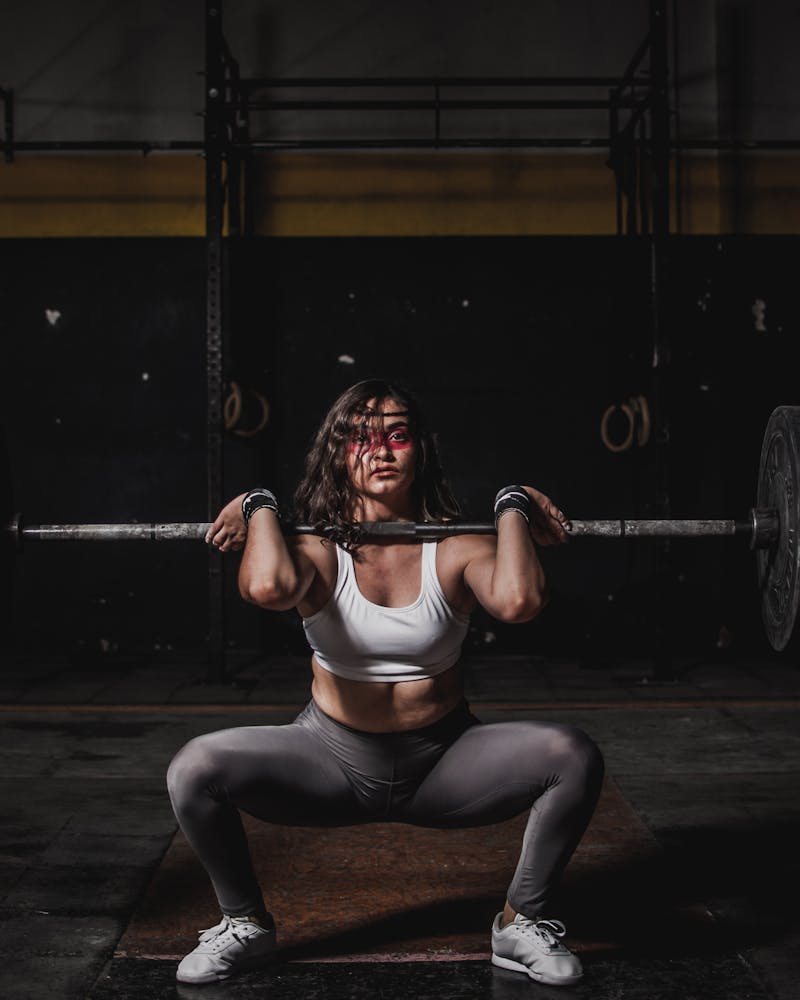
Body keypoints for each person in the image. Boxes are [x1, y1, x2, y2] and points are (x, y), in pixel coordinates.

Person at [167, 379, 604, 987]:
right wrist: (259, 505)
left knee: (572, 755)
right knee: (194, 768)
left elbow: (520, 601)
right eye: (359, 438)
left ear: (420, 449)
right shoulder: (318, 549)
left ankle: (520, 922)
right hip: (328, 762)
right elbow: (267, 588)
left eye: (397, 435)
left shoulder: (455, 546)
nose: (380, 451)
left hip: (444, 762)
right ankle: (245, 923)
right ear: (337, 452)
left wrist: (512, 505)